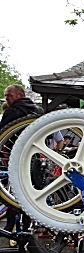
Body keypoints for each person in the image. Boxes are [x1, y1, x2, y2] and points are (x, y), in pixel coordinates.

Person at [2, 85, 44, 237]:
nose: (7, 99)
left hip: (17, 157)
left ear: (20, 95)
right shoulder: (39, 111)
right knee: (30, 194)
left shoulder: (13, 111)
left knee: (14, 194)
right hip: (35, 157)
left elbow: (2, 133)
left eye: (9, 96)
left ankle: (9, 227)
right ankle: (27, 228)